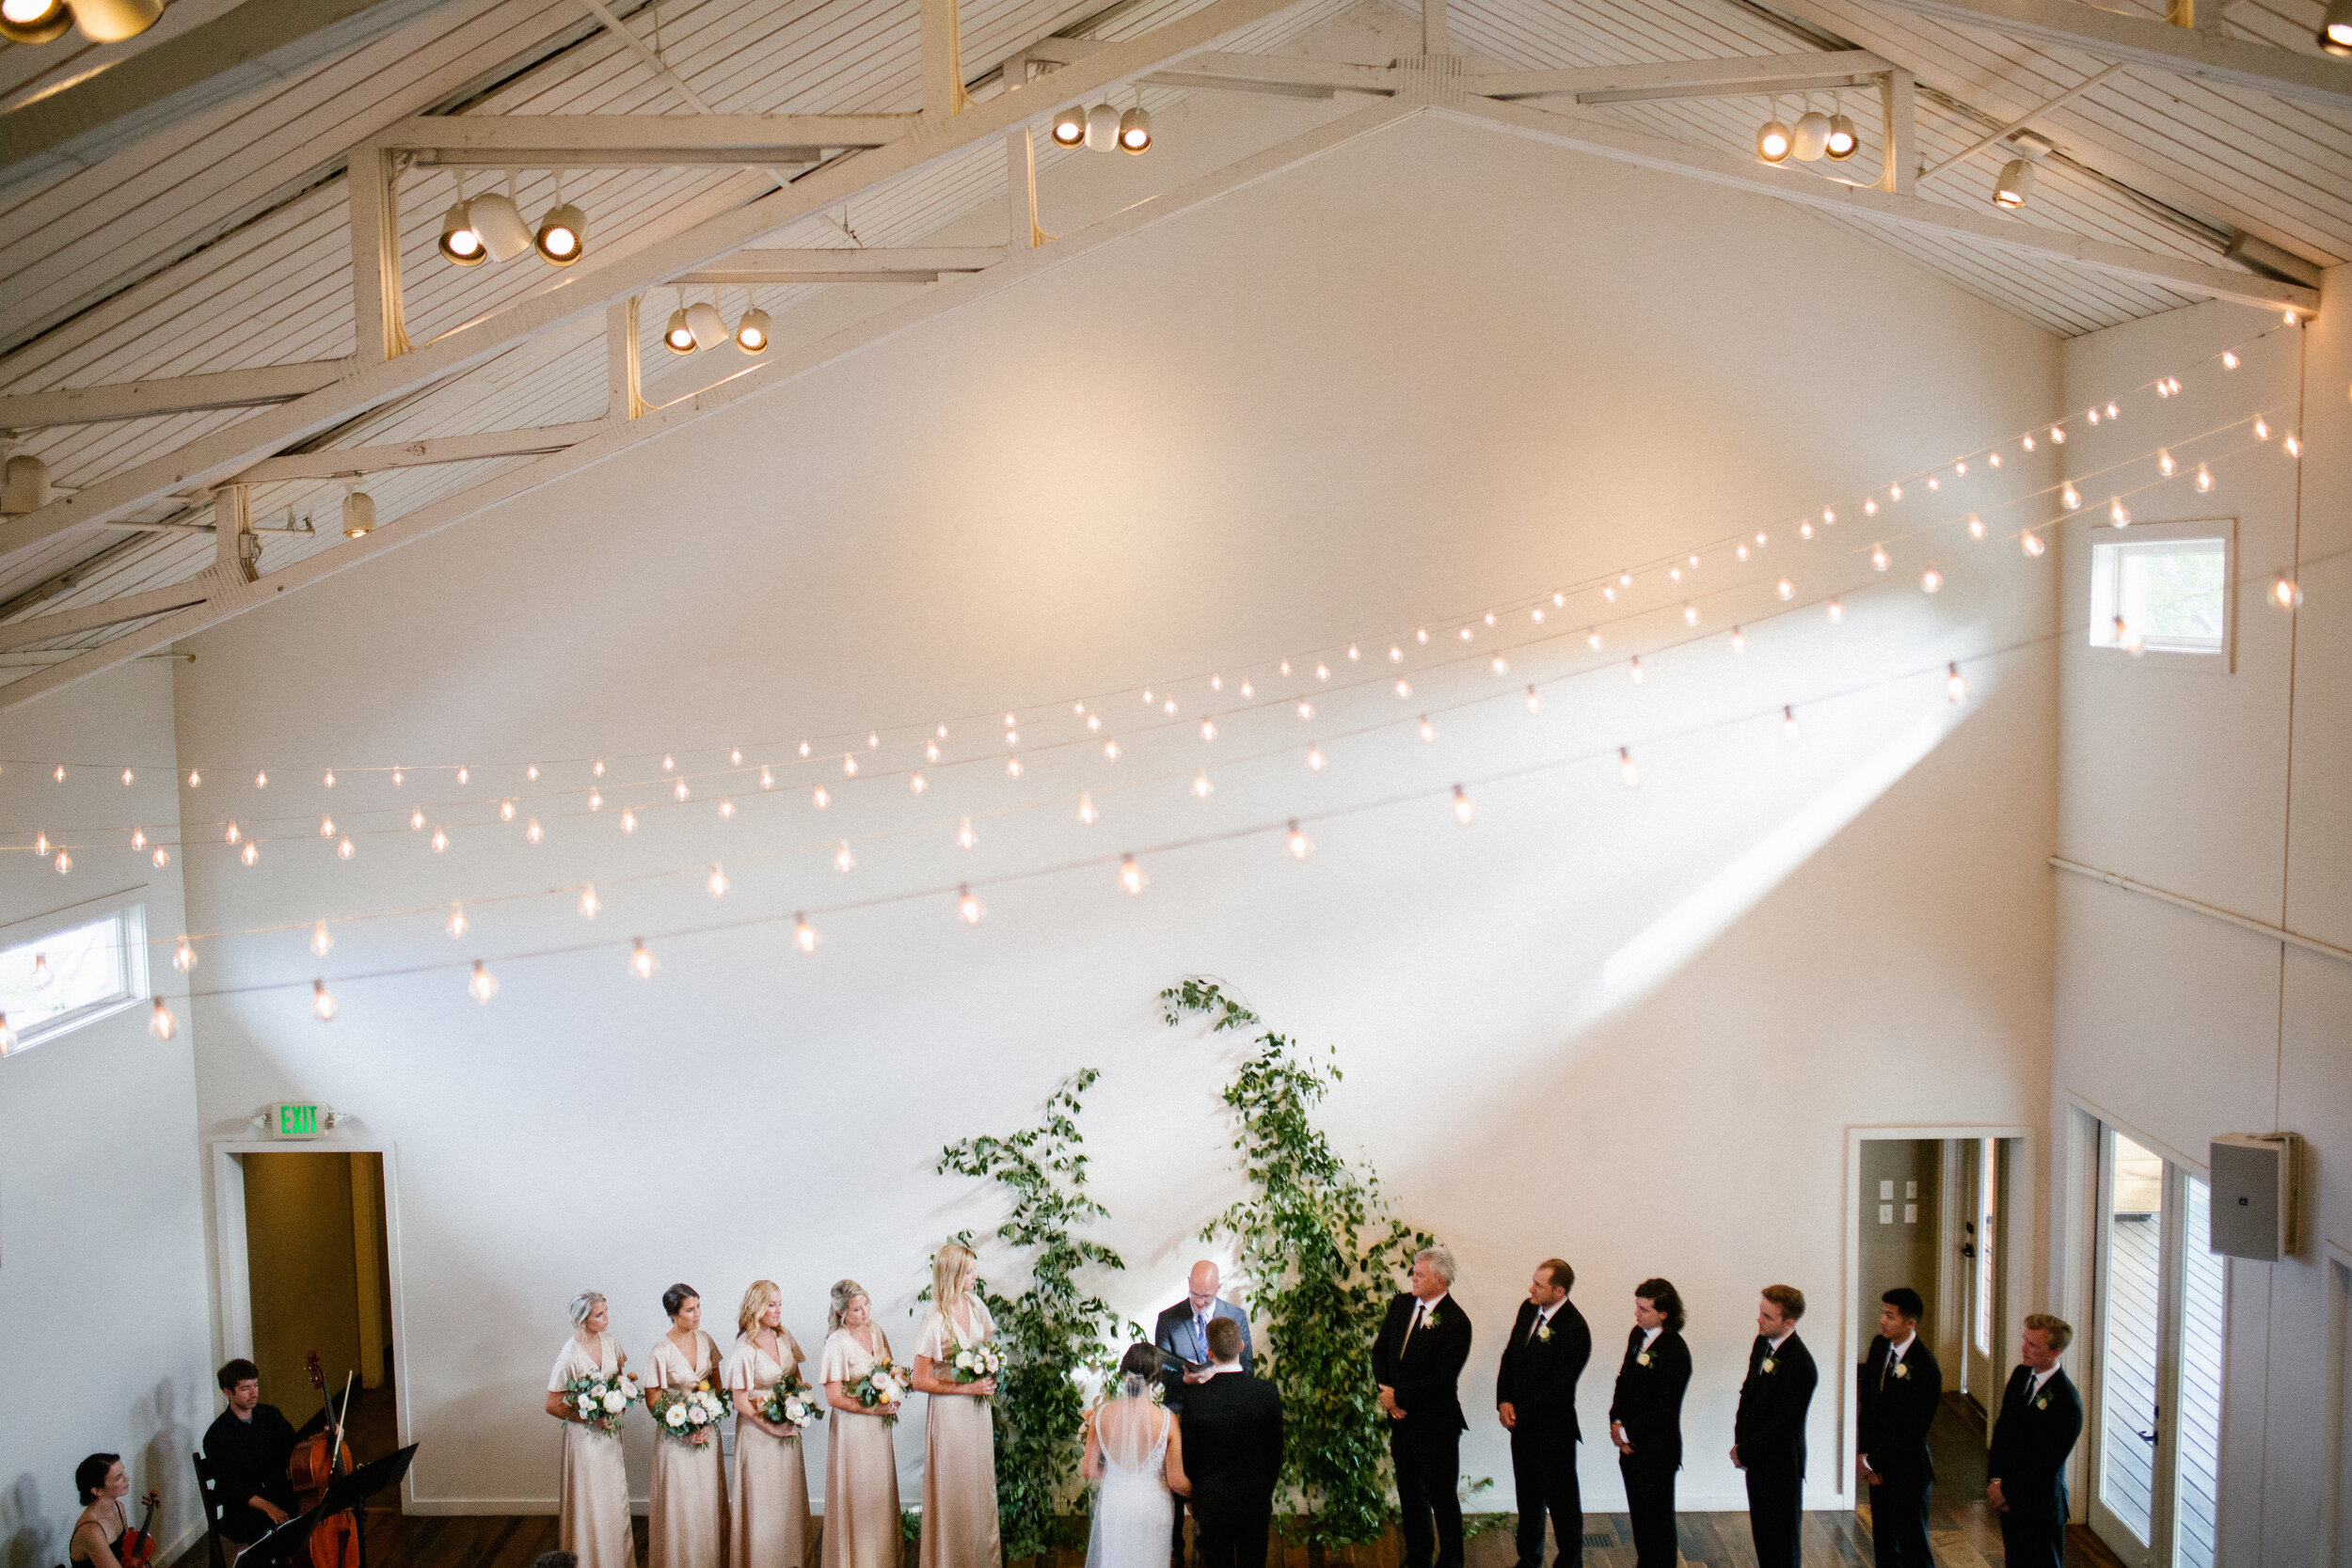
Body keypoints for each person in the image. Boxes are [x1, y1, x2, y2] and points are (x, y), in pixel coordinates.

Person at [1372, 1246, 1472, 1568]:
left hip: (1435, 1425)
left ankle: (1452, 1561)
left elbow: (1441, 1378)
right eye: (1413, 1273)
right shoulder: (1401, 1304)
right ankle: (1418, 1556)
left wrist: (1398, 1399)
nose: (1412, 1278)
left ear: (1440, 1281)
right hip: (1401, 1422)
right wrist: (1386, 1392)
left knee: (1442, 1498)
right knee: (1410, 1495)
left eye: (1420, 1274)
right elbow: (1380, 1352)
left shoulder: (1457, 1322)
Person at [1152, 1262, 1252, 1565]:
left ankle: (1208, 1552)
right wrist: (1184, 1379)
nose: (1200, 1302)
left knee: (1209, 1491)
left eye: (1206, 1297)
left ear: (1218, 1289)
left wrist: (1217, 1375)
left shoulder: (1236, 1317)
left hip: (1220, 1418)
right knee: (1174, 1489)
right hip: (1181, 1415)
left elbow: (1246, 1369)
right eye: (1195, 1294)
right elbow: (1160, 1372)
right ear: (1188, 1285)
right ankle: (1173, 1552)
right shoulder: (1168, 1319)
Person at [1495, 1259, 1590, 1568]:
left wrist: (1518, 1410)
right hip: (1521, 1428)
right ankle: (1529, 1557)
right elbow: (1510, 1354)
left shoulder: (1575, 1329)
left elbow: (1558, 1389)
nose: (1531, 1288)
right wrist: (1503, 1400)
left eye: (1539, 1285)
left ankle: (1569, 1562)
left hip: (1553, 1432)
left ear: (1560, 1291)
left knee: (1563, 1505)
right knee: (1528, 1499)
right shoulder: (1527, 1308)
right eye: (1533, 1282)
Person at [914, 1243, 1003, 1568]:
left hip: (978, 1409)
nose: (975, 1276)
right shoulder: (934, 1317)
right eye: (969, 1271)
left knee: (980, 1485)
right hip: (950, 1413)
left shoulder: (976, 1305)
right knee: (956, 1485)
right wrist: (967, 1386)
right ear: (952, 1274)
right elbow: (919, 1379)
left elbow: (987, 1347)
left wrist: (988, 1368)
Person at [545, 1291, 638, 1568]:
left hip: (609, 1434)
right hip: (583, 1439)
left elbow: (622, 1378)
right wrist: (588, 1419)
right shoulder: (568, 1355)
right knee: (588, 1499)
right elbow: (552, 1404)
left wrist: (621, 1402)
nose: (606, 1318)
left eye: (606, 1311)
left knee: (611, 1497)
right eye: (599, 1314)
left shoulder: (611, 1342)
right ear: (582, 1319)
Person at [1178, 1319, 1280, 1568]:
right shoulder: (1266, 1393)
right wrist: (1265, 1489)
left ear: (1209, 1353)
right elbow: (1276, 1452)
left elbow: (1189, 1457)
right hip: (1254, 1498)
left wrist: (1195, 1497)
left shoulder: (1195, 1398)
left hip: (1212, 1502)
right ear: (1242, 1346)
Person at [725, 1280, 814, 1568]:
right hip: (758, 1435)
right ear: (756, 1307)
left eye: (779, 1304)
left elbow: (796, 1377)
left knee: (788, 1499)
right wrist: (773, 1428)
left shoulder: (784, 1337)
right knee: (762, 1503)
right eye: (771, 1305)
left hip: (787, 1429)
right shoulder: (744, 1347)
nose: (778, 1310)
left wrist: (798, 1405)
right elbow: (740, 1402)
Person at [1985, 1314, 2083, 1568]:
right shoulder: (2020, 1376)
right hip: (2009, 1498)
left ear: (2055, 1352)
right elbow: (2002, 1431)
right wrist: (1995, 1480)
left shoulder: (2067, 1402)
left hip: (2040, 1506)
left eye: (2033, 1345)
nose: (2023, 1348)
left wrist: (2008, 1493)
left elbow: (2046, 1462)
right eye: (2025, 1341)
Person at [1083, 1343, 1192, 1568]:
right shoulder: (1168, 1421)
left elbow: (1089, 1469)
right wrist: (1202, 1492)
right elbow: (1176, 1481)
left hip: (1115, 1505)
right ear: (1156, 1379)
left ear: (1124, 1373)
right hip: (1153, 1508)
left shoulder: (1101, 1415)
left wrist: (1117, 1476)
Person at [1606, 1279, 1691, 1568]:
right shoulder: (1637, 1335)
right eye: (1637, 1306)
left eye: (1644, 1308)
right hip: (1629, 1447)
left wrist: (1628, 1434)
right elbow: (1623, 1381)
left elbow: (1665, 1410)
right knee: (1641, 1522)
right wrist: (1616, 1422)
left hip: (1657, 1452)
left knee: (1659, 1524)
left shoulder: (1675, 1352)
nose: (1637, 1313)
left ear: (1664, 1313)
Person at [819, 1279, 903, 1568]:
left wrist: (898, 1386)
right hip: (852, 1431)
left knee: (879, 1491)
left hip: (878, 1430)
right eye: (857, 1309)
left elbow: (889, 1367)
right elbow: (834, 1397)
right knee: (856, 1492)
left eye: (867, 1305)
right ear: (842, 1313)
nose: (865, 1313)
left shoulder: (876, 1331)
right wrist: (873, 1411)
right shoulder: (836, 1343)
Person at [1730, 1285, 1816, 1568]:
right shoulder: (1762, 1343)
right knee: (1763, 1539)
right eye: (1760, 1312)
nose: (1759, 1320)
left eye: (1768, 1316)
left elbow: (1783, 1425)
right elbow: (1748, 1393)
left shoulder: (1801, 1364)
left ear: (1789, 1322)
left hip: (1781, 1467)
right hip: (1756, 1460)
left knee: (1782, 1544)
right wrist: (1740, 1443)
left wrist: (1746, 1451)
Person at [1856, 1287, 1941, 1568]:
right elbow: (1867, 1406)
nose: (1882, 1320)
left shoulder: (1926, 1366)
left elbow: (1913, 1430)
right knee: (1883, 1545)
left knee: (1914, 1548)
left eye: (1890, 1316)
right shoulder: (1879, 1347)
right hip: (1877, 1468)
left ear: (1910, 1323)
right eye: (1883, 1313)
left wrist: (1875, 1461)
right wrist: (1865, 1458)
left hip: (1908, 1472)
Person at [644, 1283, 727, 1568]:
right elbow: (653, 1400)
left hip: (707, 1432)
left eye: (698, 1306)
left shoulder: (706, 1340)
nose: (697, 1314)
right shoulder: (661, 1351)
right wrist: (680, 1428)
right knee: (681, 1502)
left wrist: (710, 1417)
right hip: (675, 1438)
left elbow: (717, 1385)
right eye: (689, 1310)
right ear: (673, 1314)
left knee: (707, 1499)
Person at [203, 1359, 298, 1548]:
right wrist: (269, 1508)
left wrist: (325, 1435)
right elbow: (234, 1488)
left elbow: (296, 1448)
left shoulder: (270, 1415)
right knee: (275, 1534)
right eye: (246, 1388)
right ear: (228, 1392)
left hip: (278, 1492)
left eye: (256, 1385)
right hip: (244, 1508)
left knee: (315, 1513)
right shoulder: (216, 1436)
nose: (254, 1393)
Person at [70, 1455, 133, 1568]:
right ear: (97, 1490)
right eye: (118, 1477)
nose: (127, 1478)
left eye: (123, 1472)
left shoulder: (118, 1507)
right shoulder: (91, 1531)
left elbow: (128, 1551)